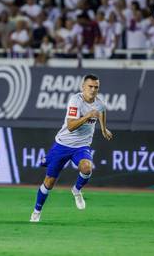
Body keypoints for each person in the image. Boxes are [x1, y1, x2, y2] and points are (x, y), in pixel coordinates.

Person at [30, 74, 113, 223]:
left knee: (87, 168)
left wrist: (103, 129)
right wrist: (87, 116)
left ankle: (76, 190)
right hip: (62, 144)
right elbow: (70, 126)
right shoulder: (75, 101)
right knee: (49, 183)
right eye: (90, 87)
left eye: (96, 87)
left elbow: (102, 112)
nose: (93, 90)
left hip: (81, 146)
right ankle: (37, 210)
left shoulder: (100, 103)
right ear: (83, 87)